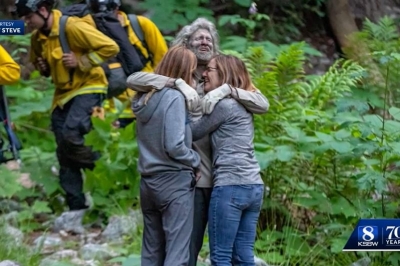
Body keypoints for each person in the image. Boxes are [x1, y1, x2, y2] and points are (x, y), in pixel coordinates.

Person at [127, 17, 269, 265]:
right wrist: (178, 83)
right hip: (193, 177)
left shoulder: (221, 75)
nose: (205, 41)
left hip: (226, 179)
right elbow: (133, 80)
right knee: (186, 247)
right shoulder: (180, 75)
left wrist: (228, 90)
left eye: (209, 38)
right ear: (187, 44)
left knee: (222, 251)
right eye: (198, 38)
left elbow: (263, 104)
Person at [14, 0, 120, 233]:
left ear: (42, 10)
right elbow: (42, 70)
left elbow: (110, 47)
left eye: (29, 16)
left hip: (89, 87)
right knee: (63, 148)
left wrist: (82, 61)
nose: (26, 22)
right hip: (62, 95)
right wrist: (43, 67)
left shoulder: (71, 26)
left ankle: (105, 172)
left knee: (72, 134)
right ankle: (76, 206)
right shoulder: (37, 38)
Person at [190, 54, 264, 265]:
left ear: (224, 74)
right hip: (254, 186)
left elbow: (193, 131)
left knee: (221, 257)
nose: (204, 73)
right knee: (243, 256)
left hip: (230, 186)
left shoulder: (224, 106)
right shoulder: (243, 104)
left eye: (209, 70)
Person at [132, 45, 201, 266]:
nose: (194, 77)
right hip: (173, 182)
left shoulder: (145, 97)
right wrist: (196, 161)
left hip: (148, 183)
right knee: (177, 251)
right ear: (184, 71)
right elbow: (174, 145)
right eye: (192, 72)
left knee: (151, 251)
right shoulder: (174, 98)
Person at [88, 0, 168, 128]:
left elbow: (164, 62)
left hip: (144, 105)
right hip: (109, 111)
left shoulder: (140, 25)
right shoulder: (89, 32)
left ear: (117, 7)